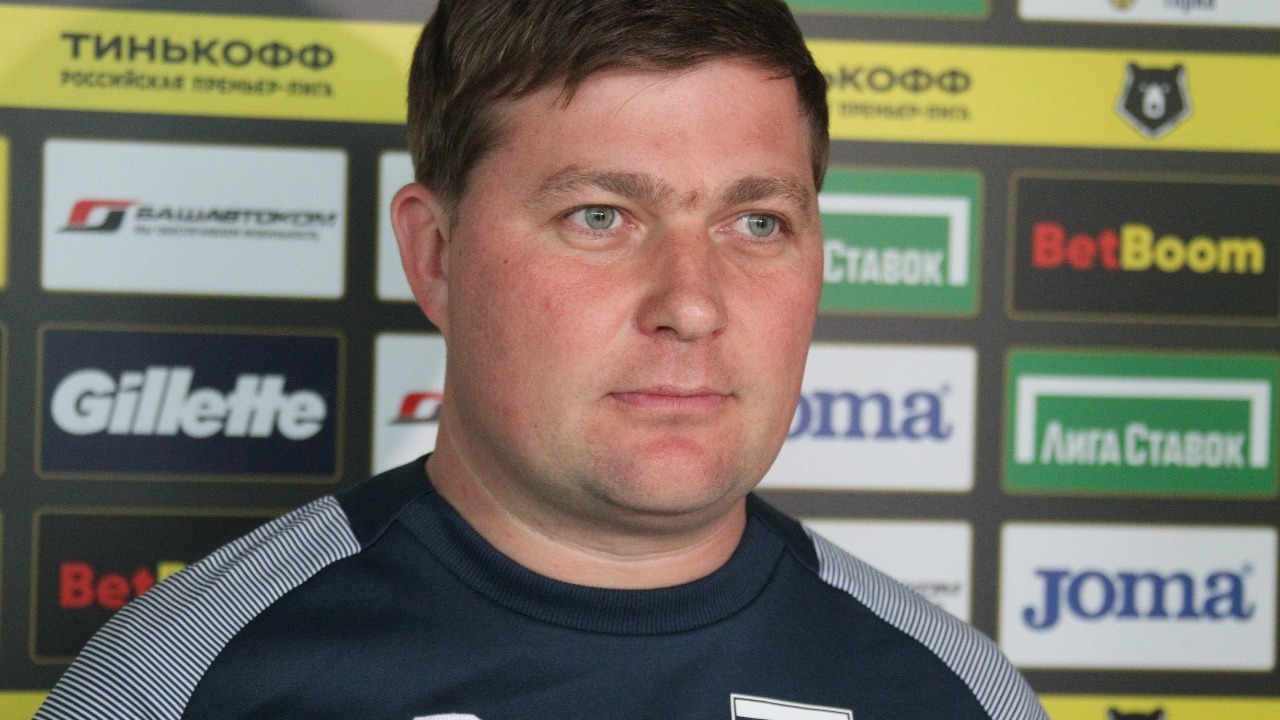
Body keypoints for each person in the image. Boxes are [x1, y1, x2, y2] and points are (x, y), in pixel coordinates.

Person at [36, 1, 1048, 718]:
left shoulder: (956, 694)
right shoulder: (179, 684)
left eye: (756, 222)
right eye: (599, 216)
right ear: (435, 255)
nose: (691, 305)